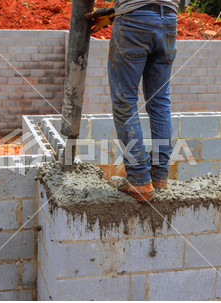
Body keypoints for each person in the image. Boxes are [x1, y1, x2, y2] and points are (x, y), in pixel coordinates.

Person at [87, 1, 180, 202]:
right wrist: (115, 12)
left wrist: (122, 9)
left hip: (134, 22)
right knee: (160, 101)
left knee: (125, 102)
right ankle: (159, 176)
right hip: (169, 20)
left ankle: (139, 180)